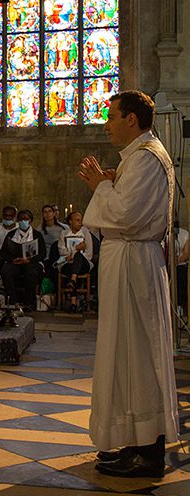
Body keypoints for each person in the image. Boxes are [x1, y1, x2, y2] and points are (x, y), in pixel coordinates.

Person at [78, 90, 178, 477]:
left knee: (138, 356)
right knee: (124, 353)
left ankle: (148, 452)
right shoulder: (137, 158)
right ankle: (133, 441)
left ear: (132, 119)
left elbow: (125, 214)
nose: (108, 124)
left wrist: (99, 187)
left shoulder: (147, 158)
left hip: (136, 264)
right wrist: (108, 181)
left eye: (113, 117)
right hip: (127, 262)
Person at [0, 208, 46, 311]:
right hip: (16, 262)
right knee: (6, 271)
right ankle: (14, 300)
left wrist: (29, 260)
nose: (23, 221)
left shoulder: (37, 235)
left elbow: (43, 253)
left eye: (25, 219)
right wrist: (12, 259)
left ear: (30, 220)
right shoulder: (11, 234)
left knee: (31, 272)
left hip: (31, 262)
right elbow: (3, 252)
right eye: (20, 219)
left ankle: (28, 302)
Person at [57, 210, 93, 312]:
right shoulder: (63, 233)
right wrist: (76, 248)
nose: (80, 223)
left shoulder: (86, 233)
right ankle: (73, 303)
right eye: (77, 220)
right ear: (70, 222)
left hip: (83, 264)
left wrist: (74, 255)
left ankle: (72, 280)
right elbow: (62, 251)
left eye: (81, 220)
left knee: (78, 256)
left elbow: (89, 254)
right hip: (67, 263)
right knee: (71, 269)